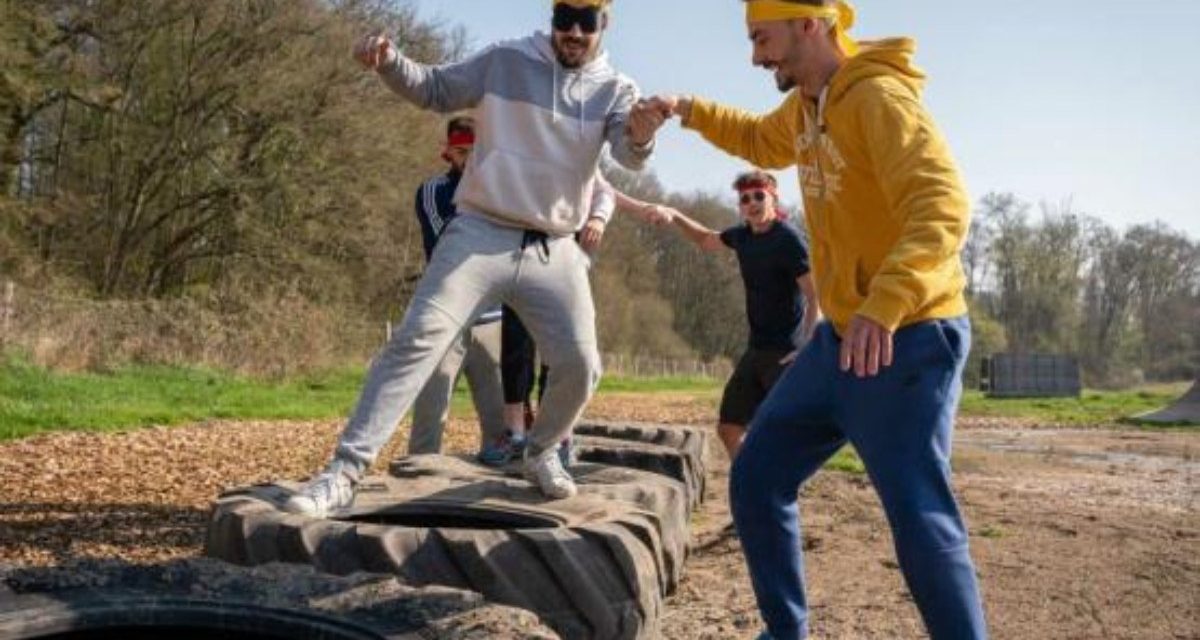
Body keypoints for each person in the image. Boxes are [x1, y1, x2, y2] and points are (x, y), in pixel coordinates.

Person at [634, 0, 988, 638]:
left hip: (905, 337)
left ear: (809, 25)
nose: (755, 56)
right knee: (758, 475)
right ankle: (785, 632)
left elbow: (942, 205)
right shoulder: (807, 106)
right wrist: (686, 109)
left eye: (761, 38)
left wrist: (885, 304)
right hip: (840, 340)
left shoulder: (879, 99)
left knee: (918, 515)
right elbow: (755, 138)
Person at [284, 0, 665, 516]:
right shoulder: (505, 60)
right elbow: (435, 88)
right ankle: (343, 473)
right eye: (563, 19)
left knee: (581, 364)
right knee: (417, 339)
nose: (573, 32)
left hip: (553, 246)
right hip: (481, 230)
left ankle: (542, 449)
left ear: (605, 25)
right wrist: (390, 61)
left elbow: (628, 152)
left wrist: (642, 131)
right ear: (551, 18)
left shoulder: (617, 89)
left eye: (586, 22)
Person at [490, 174, 675, 464]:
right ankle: (514, 432)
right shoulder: (523, 140)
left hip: (564, 253)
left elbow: (603, 189)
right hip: (519, 250)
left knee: (564, 348)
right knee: (516, 342)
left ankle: (558, 435)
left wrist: (600, 218)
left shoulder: (579, 143)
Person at [664, 170, 819, 459]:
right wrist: (673, 214)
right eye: (745, 199)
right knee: (729, 427)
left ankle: (775, 489)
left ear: (773, 197)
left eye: (759, 195)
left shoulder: (789, 240)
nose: (752, 203)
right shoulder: (743, 237)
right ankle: (751, 481)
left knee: (779, 431)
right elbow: (706, 240)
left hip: (786, 354)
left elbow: (814, 294)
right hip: (756, 350)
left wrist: (808, 345)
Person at [406, 115, 506, 459]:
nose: (469, 159)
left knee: (498, 416)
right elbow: (450, 243)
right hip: (444, 315)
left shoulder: (503, 192)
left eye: (475, 151)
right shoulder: (433, 192)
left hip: (492, 317)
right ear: (449, 152)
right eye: (462, 152)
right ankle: (419, 471)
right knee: (431, 409)